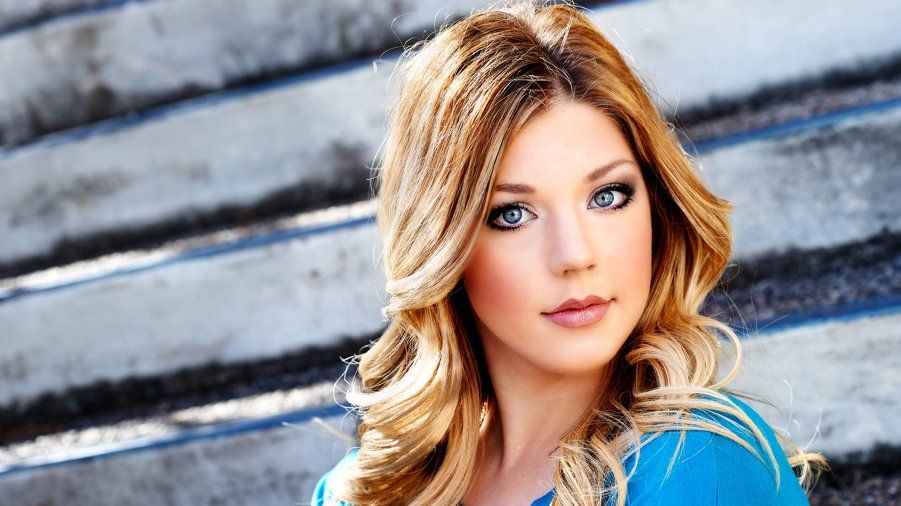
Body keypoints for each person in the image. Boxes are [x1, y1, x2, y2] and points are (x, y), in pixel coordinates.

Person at [310, 1, 828, 504]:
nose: (576, 256)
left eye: (607, 196)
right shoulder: (359, 490)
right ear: (443, 244)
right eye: (512, 214)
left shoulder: (699, 467)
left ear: (657, 206)